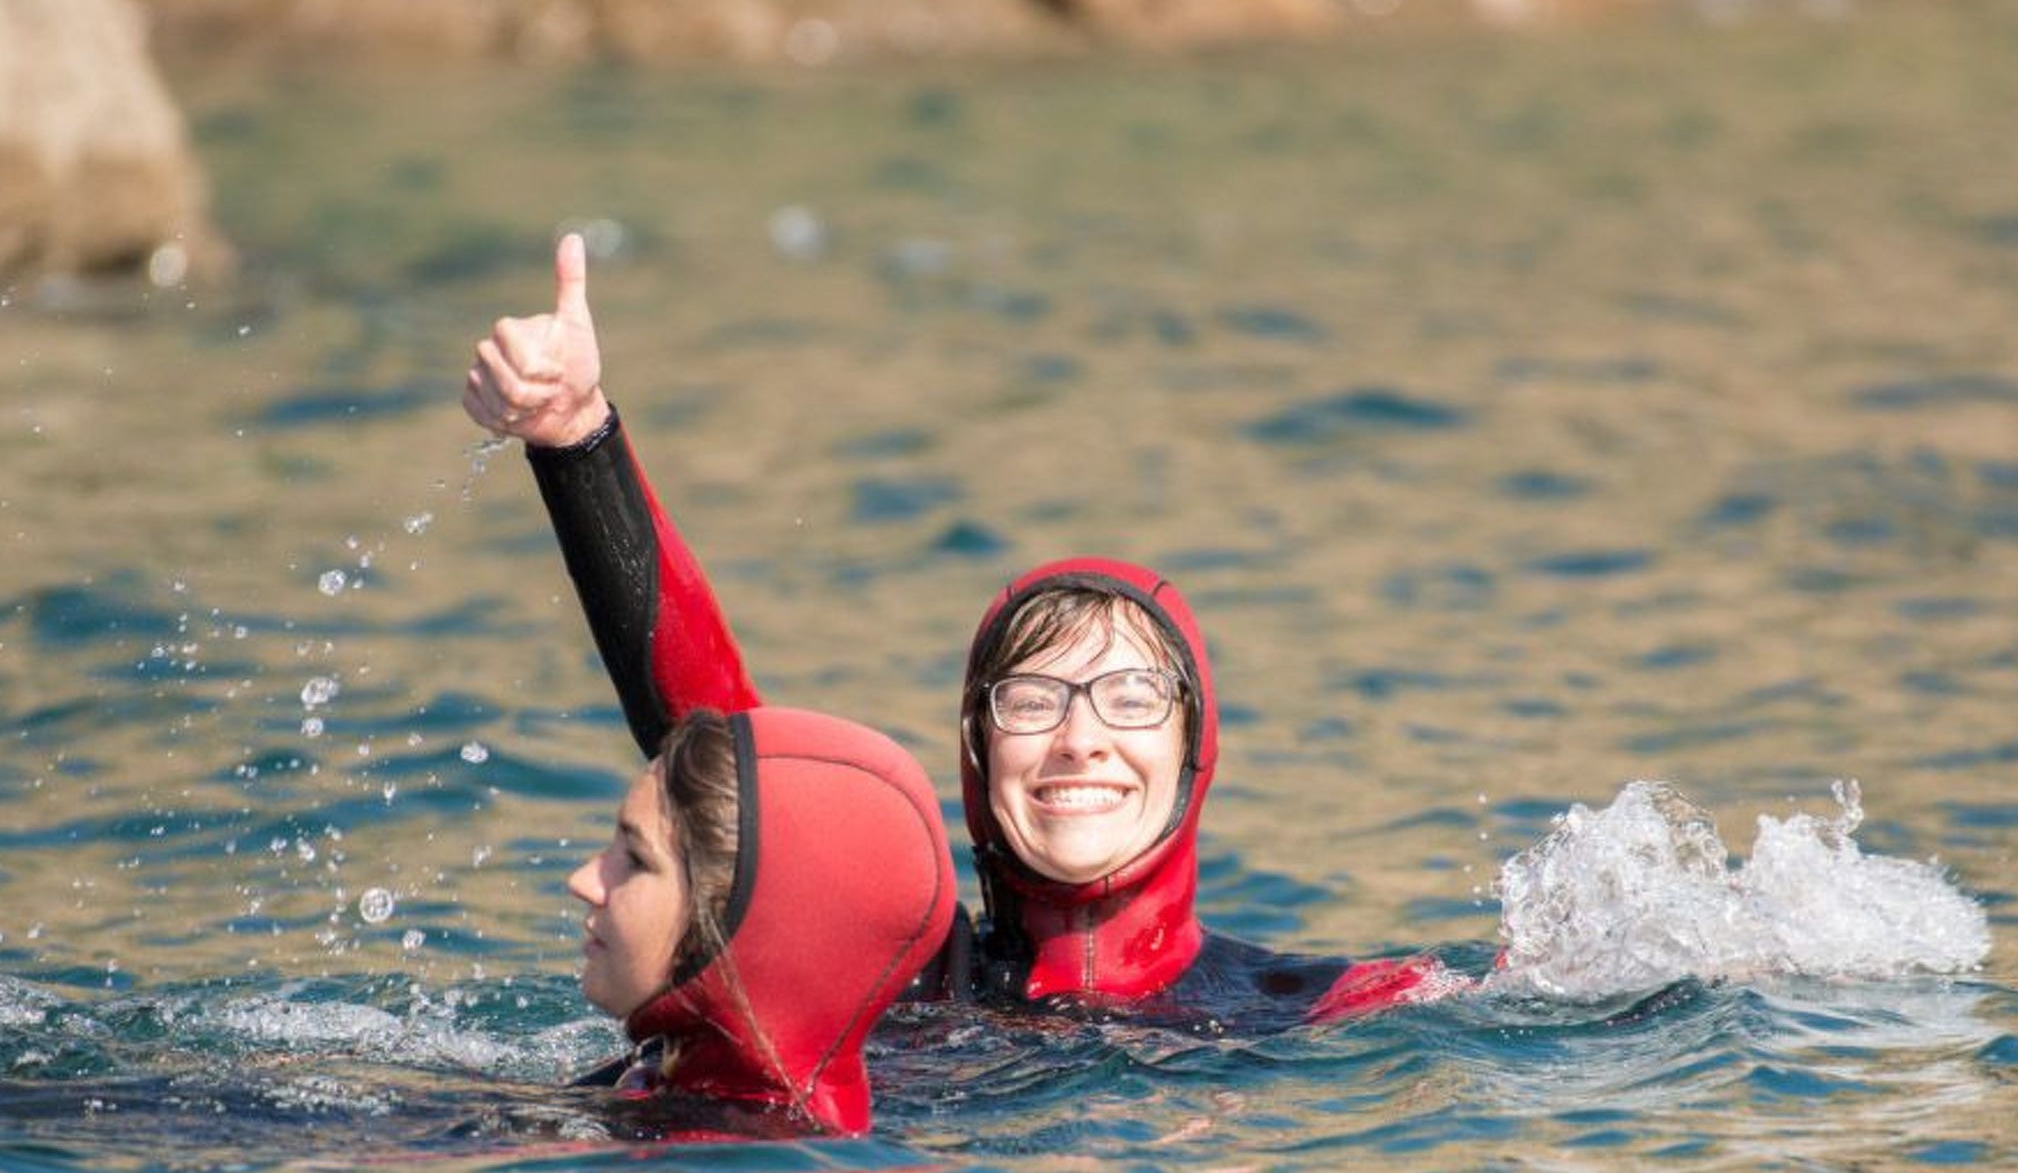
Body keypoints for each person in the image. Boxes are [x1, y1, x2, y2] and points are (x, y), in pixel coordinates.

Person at [467, 234, 1460, 1028]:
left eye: (1129, 696)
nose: (1080, 738)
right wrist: (576, 437)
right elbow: (722, 756)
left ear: (1194, 750)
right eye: (1031, 701)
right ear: (976, 754)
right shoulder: (894, 980)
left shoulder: (1324, 1009)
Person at [568, 704, 957, 1135]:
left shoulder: (729, 1171)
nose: (584, 881)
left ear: (744, 929)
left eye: (637, 861)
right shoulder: (683, 1090)